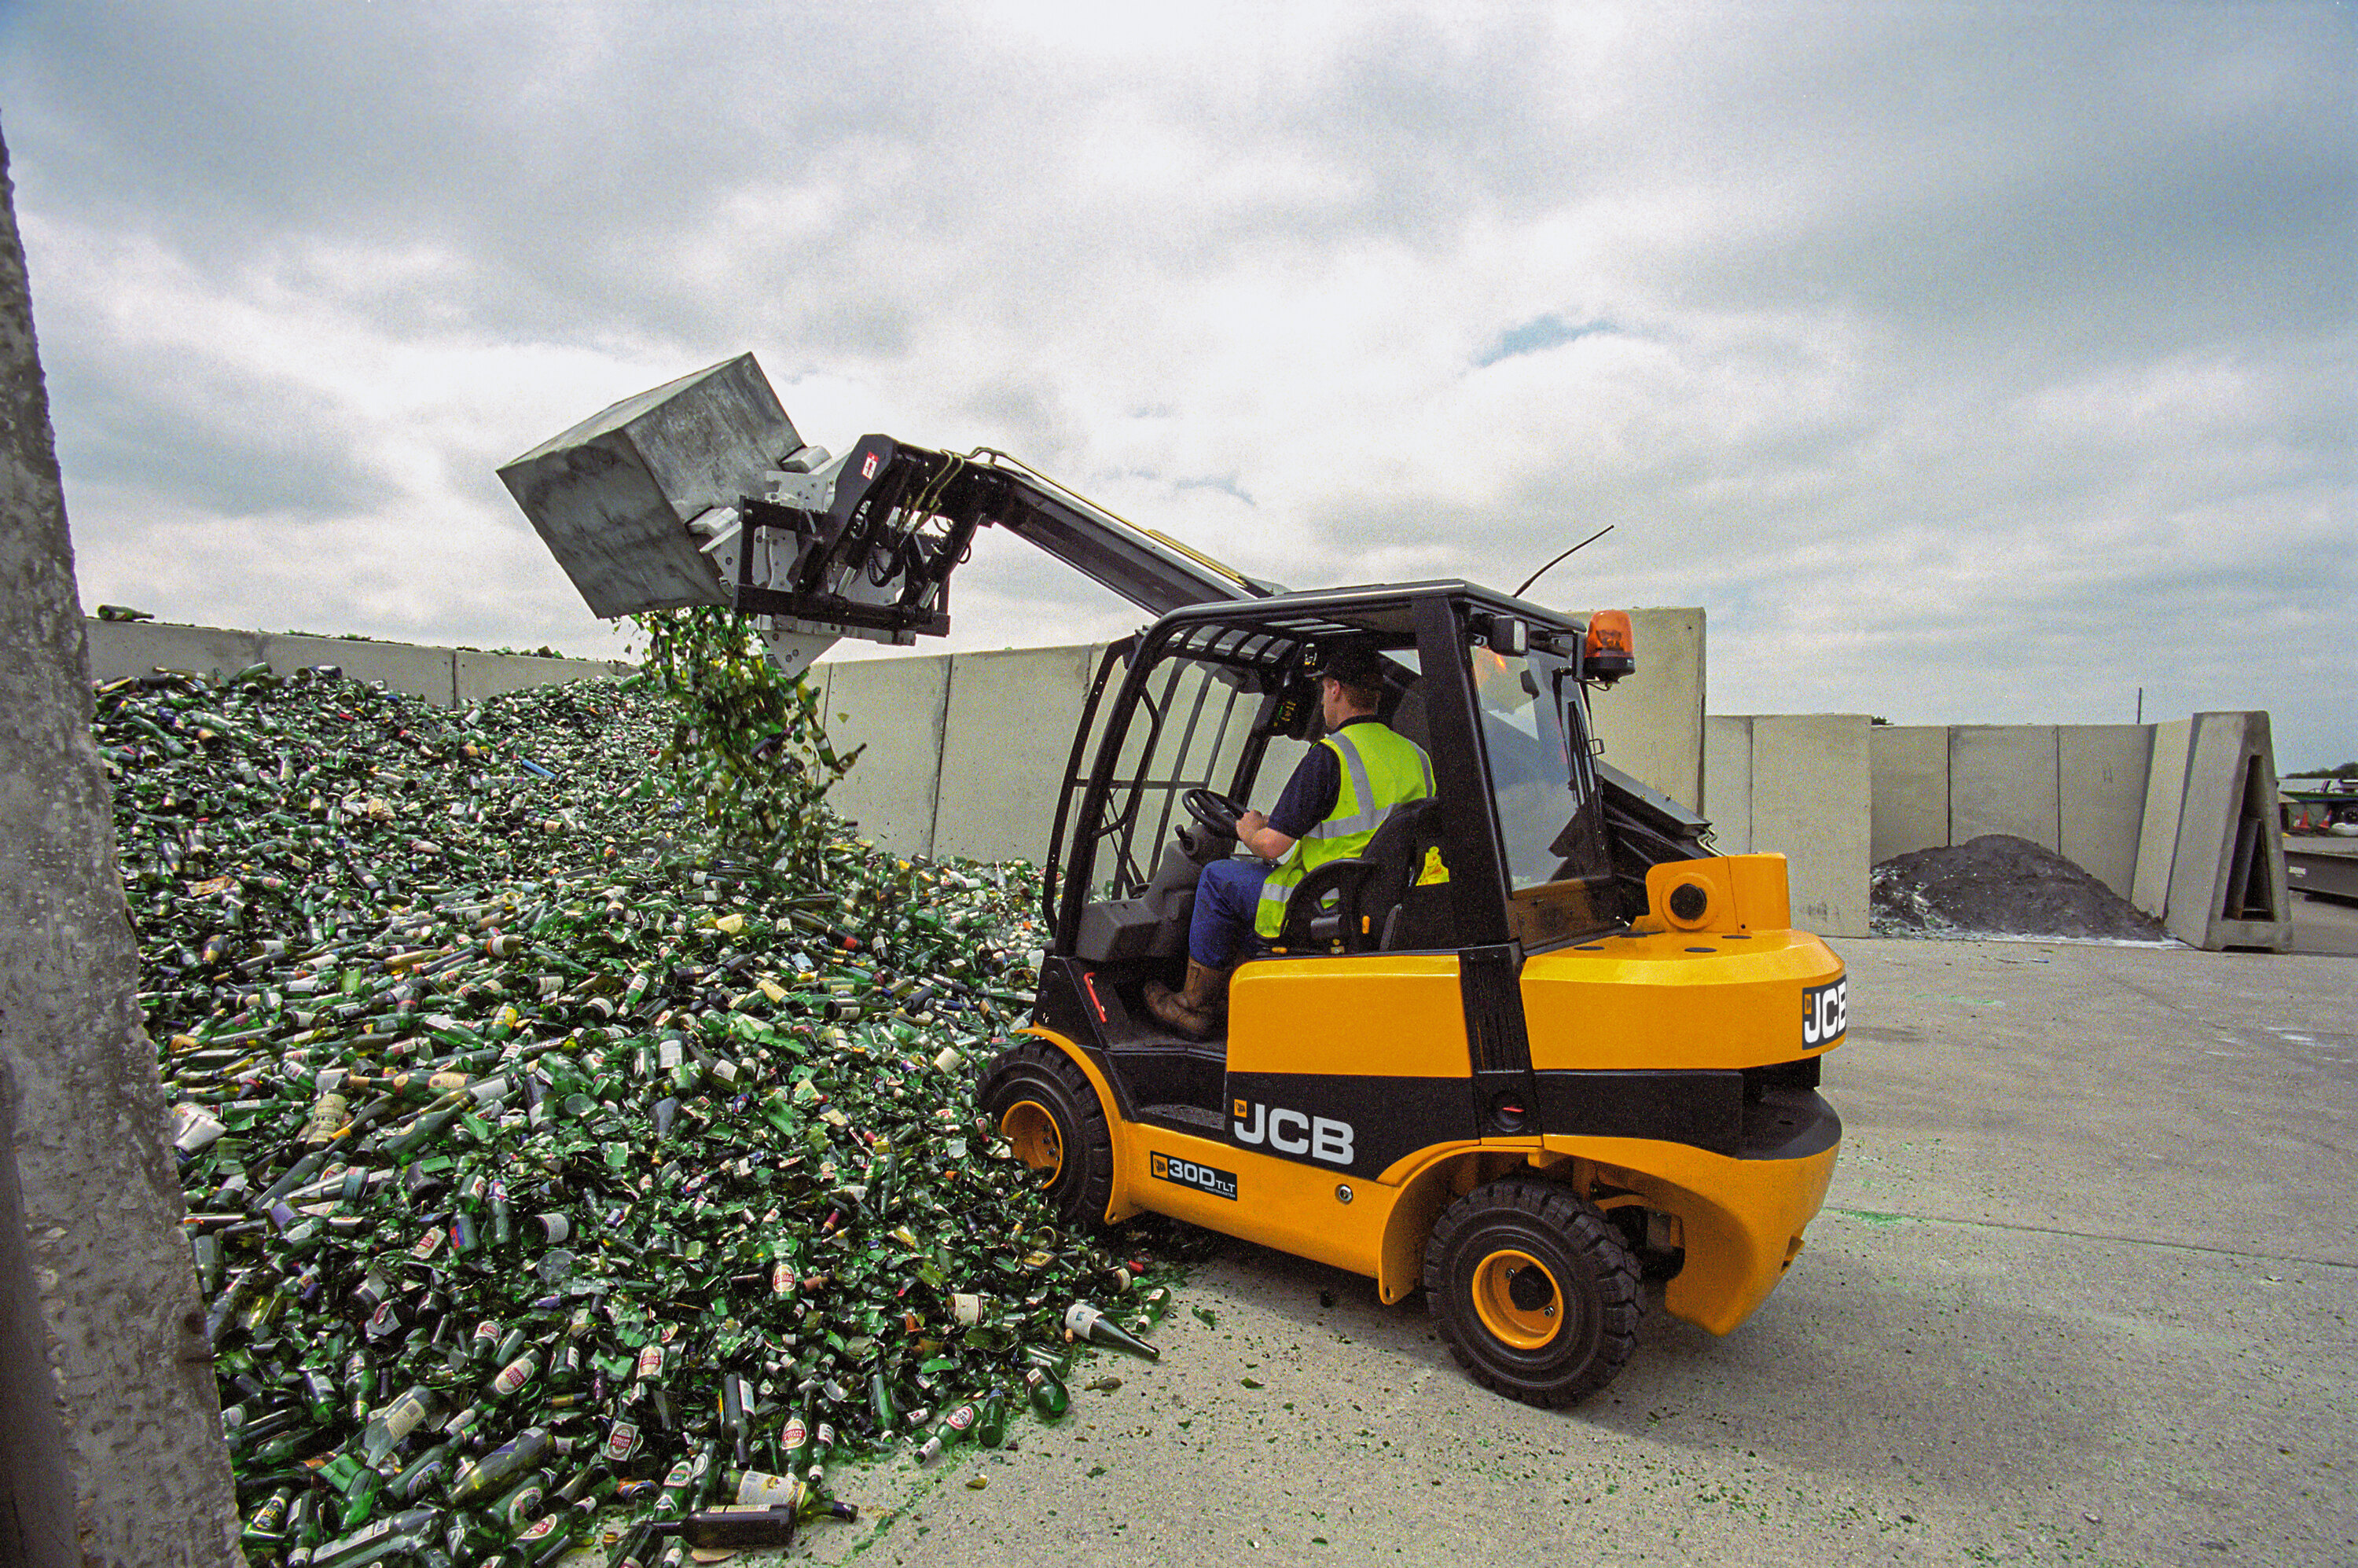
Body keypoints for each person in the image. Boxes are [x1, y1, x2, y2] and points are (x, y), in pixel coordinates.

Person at [1144, 639, 1434, 1041]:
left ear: (1334, 689)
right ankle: (1238, 991)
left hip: (1324, 904)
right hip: (1383, 904)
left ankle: (1194, 1005)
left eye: (1322, 691)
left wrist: (1248, 829)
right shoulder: (1415, 757)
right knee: (1249, 891)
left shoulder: (1331, 756)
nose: (1322, 702)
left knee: (1216, 878)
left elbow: (1270, 846)